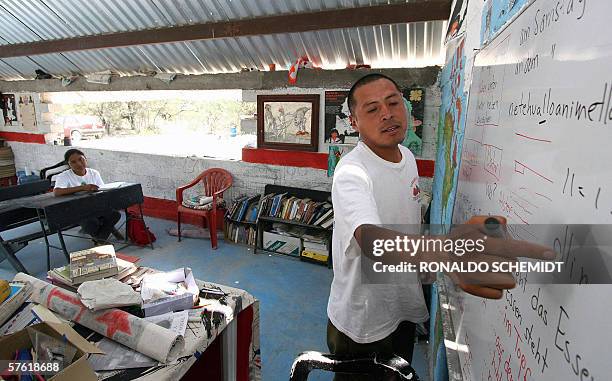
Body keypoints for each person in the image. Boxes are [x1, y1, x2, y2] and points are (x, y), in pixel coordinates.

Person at [327, 73, 553, 380]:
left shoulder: (406, 156)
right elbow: (371, 240)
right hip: (365, 320)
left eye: (394, 103)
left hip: (402, 306)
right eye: (372, 109)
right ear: (353, 122)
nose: (387, 114)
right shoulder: (351, 172)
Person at [53, 149, 121, 243]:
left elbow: (101, 190)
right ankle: (101, 239)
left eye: (81, 159)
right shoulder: (64, 176)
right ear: (69, 164)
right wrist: (83, 188)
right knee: (91, 223)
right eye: (73, 162)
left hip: (94, 205)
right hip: (75, 209)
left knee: (115, 214)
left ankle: (100, 239)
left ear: (86, 159)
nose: (79, 164)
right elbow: (57, 192)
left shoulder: (94, 173)